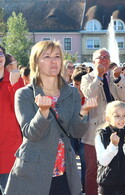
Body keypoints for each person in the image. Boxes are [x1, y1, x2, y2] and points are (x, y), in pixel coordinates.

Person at [4, 40, 97, 195]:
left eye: (57, 56)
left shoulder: (72, 92)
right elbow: (30, 134)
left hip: (64, 170)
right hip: (33, 172)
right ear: (36, 62)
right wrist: (43, 112)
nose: (53, 61)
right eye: (46, 56)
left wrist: (84, 112)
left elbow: (76, 132)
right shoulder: (24, 94)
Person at [80, 48, 125, 195]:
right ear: (93, 61)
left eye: (107, 57)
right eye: (100, 57)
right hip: (93, 132)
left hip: (114, 131)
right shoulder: (87, 78)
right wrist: (99, 77)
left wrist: (117, 78)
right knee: (92, 170)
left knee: (114, 167)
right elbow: (89, 94)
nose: (104, 59)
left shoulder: (113, 77)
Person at [95, 101, 125, 195]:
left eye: (124, 115)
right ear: (108, 118)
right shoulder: (101, 135)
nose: (121, 119)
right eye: (117, 116)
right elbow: (103, 161)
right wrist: (113, 145)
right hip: (107, 187)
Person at [0, 46, 23, 194]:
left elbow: (22, 108)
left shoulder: (14, 80)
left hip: (9, 150)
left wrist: (14, 85)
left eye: (0, 53)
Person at [71, 69, 89, 193]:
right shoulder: (69, 95)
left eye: (79, 85)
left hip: (86, 134)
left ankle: (85, 188)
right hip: (71, 133)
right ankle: (73, 188)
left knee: (85, 162)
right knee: (71, 162)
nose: (77, 87)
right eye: (75, 84)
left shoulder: (90, 98)